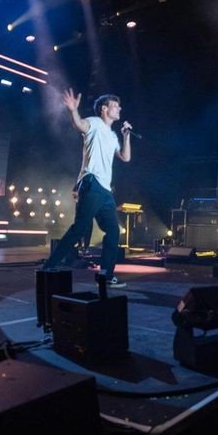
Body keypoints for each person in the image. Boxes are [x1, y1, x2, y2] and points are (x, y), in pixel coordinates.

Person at [42, 89, 132, 287]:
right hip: (91, 183)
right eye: (115, 105)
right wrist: (73, 110)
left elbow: (125, 157)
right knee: (79, 228)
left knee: (113, 232)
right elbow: (79, 124)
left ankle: (106, 275)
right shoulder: (95, 123)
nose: (119, 108)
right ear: (104, 109)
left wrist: (126, 136)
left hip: (105, 190)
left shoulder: (112, 135)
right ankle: (49, 265)